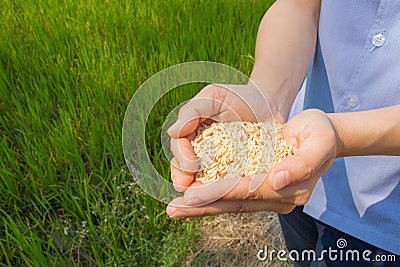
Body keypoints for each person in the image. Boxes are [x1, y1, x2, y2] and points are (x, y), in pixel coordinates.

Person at [166, 0, 400, 265]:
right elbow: (299, 6)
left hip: (383, 218)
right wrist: (267, 97)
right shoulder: (286, 147)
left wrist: (341, 134)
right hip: (293, 159)